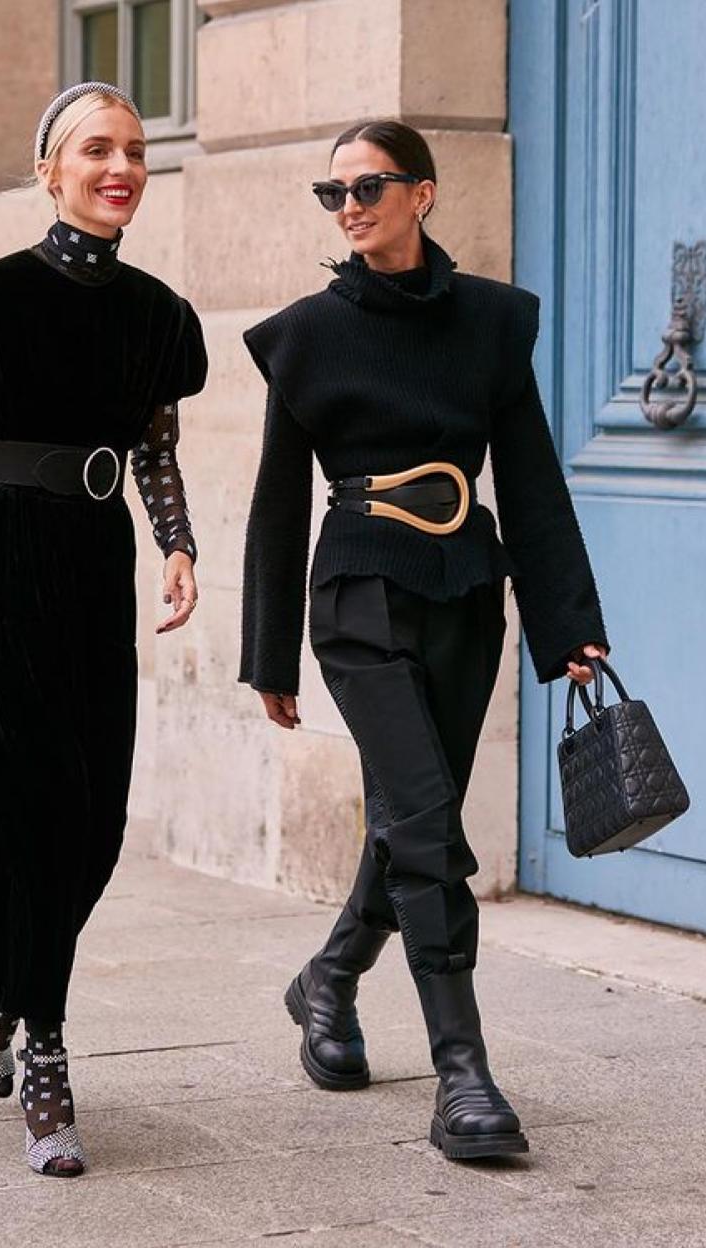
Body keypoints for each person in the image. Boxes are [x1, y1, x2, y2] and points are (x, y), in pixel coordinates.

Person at [239, 120, 608, 1161]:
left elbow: (529, 479)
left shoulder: (491, 322)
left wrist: (569, 624)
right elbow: (276, 502)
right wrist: (270, 652)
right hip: (358, 591)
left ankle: (329, 978)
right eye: (334, 193)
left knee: (414, 814)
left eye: (369, 187)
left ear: (424, 194)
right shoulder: (307, 334)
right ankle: (464, 1075)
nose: (349, 207)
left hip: (464, 590)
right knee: (429, 821)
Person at [0, 82, 207, 1177]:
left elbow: (155, 447)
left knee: (94, 820)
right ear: (49, 170)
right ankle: (47, 1057)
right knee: (22, 808)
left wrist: (177, 543)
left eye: (135, 150)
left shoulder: (158, 317)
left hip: (94, 567)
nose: (121, 168)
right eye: (96, 149)